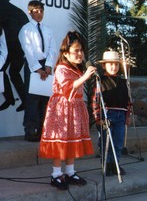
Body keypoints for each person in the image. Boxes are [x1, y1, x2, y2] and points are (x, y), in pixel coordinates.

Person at [39, 30, 96, 190]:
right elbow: (67, 88)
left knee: (71, 140)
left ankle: (70, 171)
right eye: (76, 50)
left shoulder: (76, 69)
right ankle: (56, 174)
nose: (80, 54)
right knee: (60, 141)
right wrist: (85, 77)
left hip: (75, 108)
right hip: (62, 110)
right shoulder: (61, 68)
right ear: (66, 53)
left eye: (81, 50)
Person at [19, 0, 57, 141]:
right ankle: (30, 130)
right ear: (30, 12)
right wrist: (37, 69)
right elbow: (28, 50)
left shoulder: (48, 29)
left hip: (46, 65)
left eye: (41, 10)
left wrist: (48, 66)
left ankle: (43, 129)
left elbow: (52, 48)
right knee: (32, 99)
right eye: (36, 11)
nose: (39, 13)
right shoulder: (26, 29)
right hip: (32, 65)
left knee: (45, 99)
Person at [92, 51, 131, 176]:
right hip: (107, 114)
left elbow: (127, 100)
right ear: (104, 66)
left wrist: (127, 116)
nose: (114, 67)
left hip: (121, 115)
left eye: (116, 64)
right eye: (110, 64)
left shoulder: (123, 82)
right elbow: (96, 101)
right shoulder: (100, 81)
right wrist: (98, 118)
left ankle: (115, 164)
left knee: (118, 141)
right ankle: (106, 165)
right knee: (105, 142)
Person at [0, 0, 29, 111]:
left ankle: (18, 99)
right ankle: (11, 98)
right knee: (5, 72)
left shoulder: (16, 11)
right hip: (7, 49)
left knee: (11, 73)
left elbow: (27, 31)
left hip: (17, 49)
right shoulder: (16, 11)